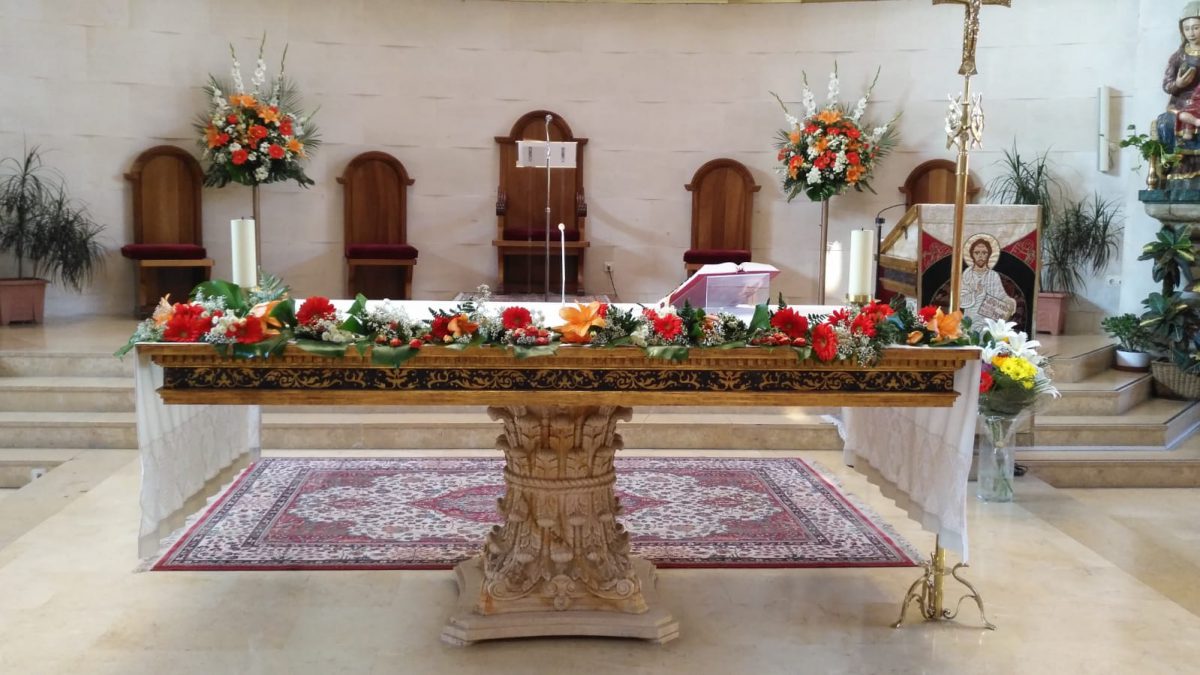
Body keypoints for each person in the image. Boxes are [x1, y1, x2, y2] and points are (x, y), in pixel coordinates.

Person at [960, 236, 1015, 325]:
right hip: (971, 321)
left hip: (989, 322)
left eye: (984, 253)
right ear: (971, 254)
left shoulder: (993, 276)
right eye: (977, 253)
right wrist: (975, 293)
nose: (980, 256)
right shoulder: (967, 275)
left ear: (989, 255)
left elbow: (1001, 296)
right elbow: (960, 301)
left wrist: (1010, 301)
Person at [1167, 4, 1200, 138]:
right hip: (1183, 101)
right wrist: (1178, 84)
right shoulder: (1178, 57)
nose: (1191, 33)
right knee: (1171, 119)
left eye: (1196, 28)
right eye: (1187, 29)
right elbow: (1167, 85)